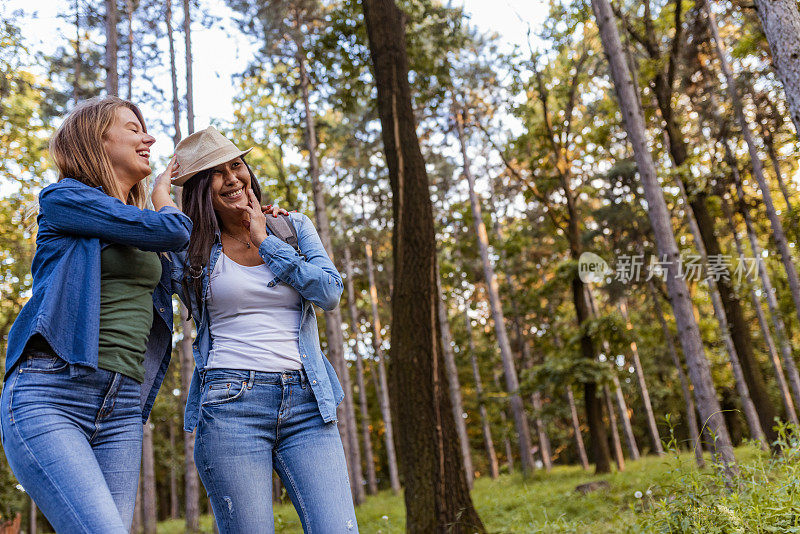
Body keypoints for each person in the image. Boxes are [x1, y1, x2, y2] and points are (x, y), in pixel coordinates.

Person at [0, 96, 191, 532]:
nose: (149, 137)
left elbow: (194, 267)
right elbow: (174, 230)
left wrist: (255, 220)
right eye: (132, 128)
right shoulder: (64, 199)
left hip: (122, 404)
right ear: (96, 140)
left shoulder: (137, 224)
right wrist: (163, 195)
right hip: (53, 391)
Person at [171, 126, 358, 533]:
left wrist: (266, 242)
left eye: (236, 165)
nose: (233, 178)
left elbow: (329, 293)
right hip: (230, 402)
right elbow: (153, 249)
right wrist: (158, 198)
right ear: (202, 188)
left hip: (308, 402)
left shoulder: (291, 227)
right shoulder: (191, 246)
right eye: (217, 173)